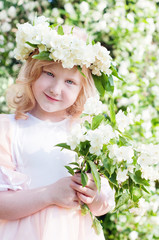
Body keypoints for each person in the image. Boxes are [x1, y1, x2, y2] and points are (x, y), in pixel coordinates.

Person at [0, 16, 115, 240]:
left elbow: (104, 204)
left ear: (82, 88)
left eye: (69, 82)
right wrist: (49, 195)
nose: (55, 89)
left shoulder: (89, 133)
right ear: (33, 70)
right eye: (49, 73)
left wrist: (94, 195)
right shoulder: (8, 128)